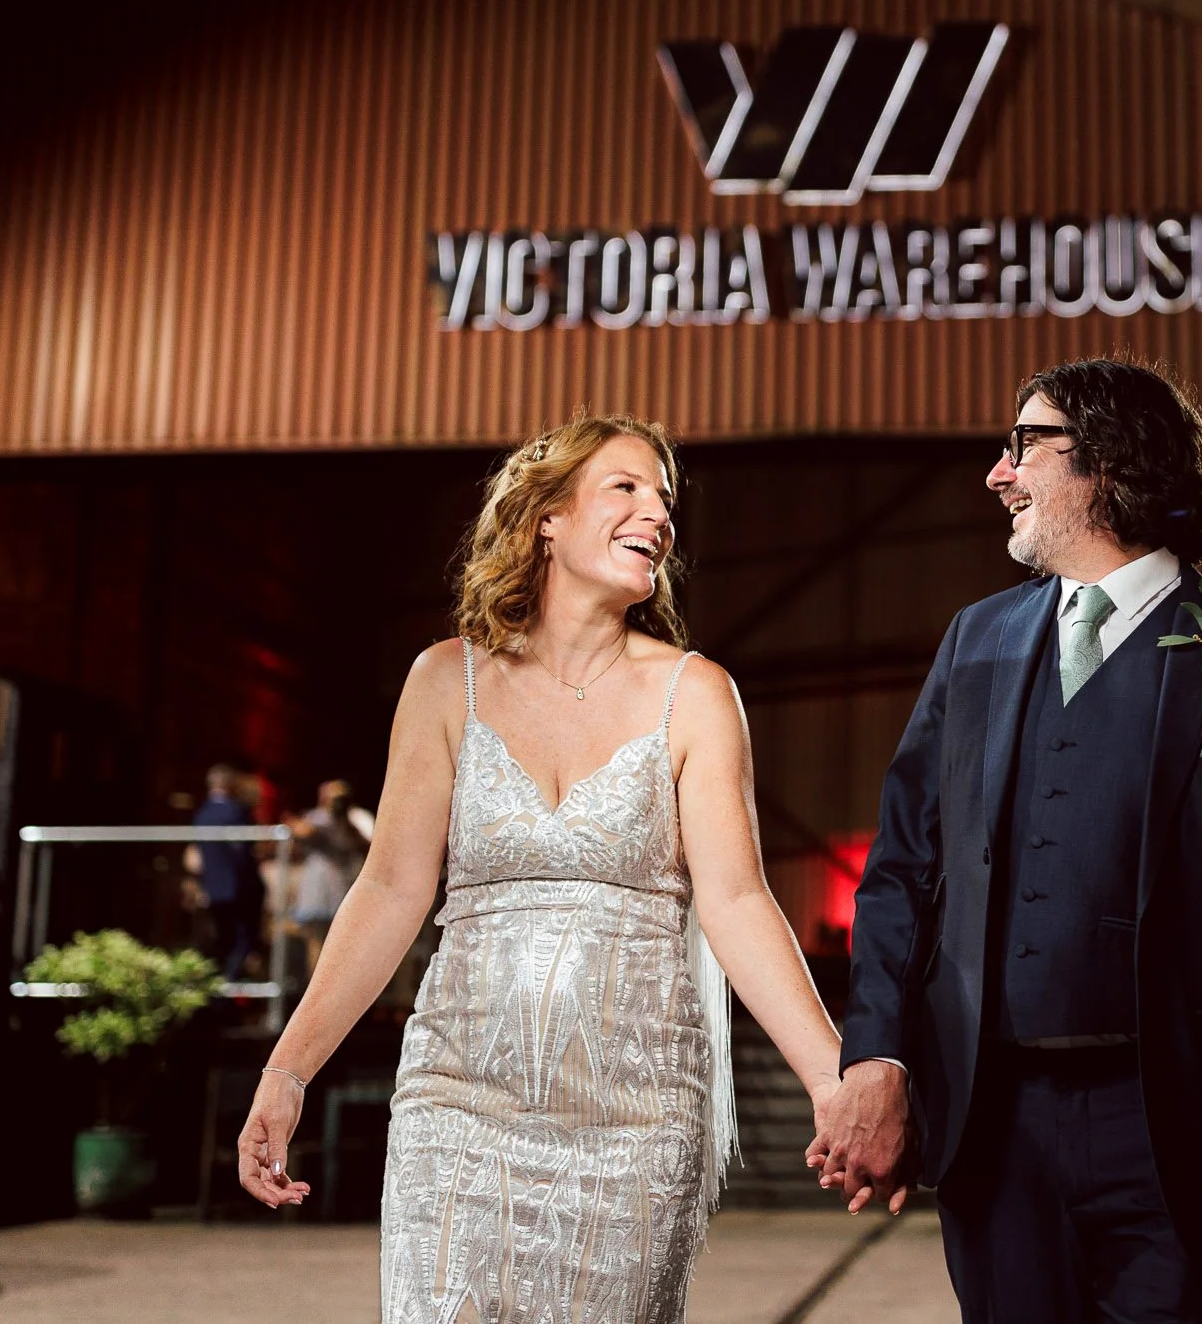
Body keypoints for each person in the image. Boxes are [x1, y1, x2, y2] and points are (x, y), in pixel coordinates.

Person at [236, 414, 850, 1322]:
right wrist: (287, 1071)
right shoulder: (446, 680)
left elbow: (736, 899)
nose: (658, 514)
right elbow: (392, 888)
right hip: (456, 1111)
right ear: (547, 519)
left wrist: (833, 1080)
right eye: (626, 487)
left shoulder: (696, 694)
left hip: (635, 1129)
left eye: (665, 499)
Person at [810, 359, 1202, 1323]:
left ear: (1108, 456)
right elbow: (901, 873)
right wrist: (876, 1057)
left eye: (1025, 444)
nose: (998, 473)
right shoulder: (975, 640)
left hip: (1174, 1134)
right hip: (992, 1128)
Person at [287, 779, 372, 979]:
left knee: (339, 943)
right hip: (322, 887)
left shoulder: (351, 821)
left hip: (339, 885)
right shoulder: (322, 819)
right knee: (318, 940)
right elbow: (302, 832)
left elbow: (365, 844)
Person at [186, 763, 264, 981]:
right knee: (243, 939)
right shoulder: (236, 812)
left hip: (213, 889)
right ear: (231, 785)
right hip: (239, 889)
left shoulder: (202, 814)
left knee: (222, 939)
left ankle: (219, 985)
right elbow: (243, 853)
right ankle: (228, 985)